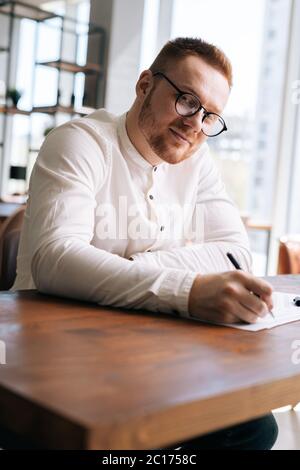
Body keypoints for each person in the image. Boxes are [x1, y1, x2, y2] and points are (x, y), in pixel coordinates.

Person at [12, 37, 278, 449]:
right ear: (145, 86)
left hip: (142, 346)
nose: (194, 124)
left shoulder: (196, 162)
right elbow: (56, 258)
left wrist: (130, 264)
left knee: (254, 427)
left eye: (210, 116)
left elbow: (235, 252)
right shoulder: (79, 142)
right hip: (50, 356)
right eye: (187, 100)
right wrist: (187, 289)